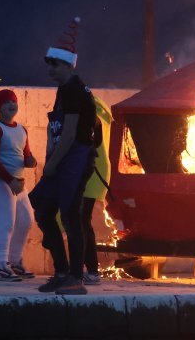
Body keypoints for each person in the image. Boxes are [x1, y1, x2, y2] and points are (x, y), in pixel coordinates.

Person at [29, 18, 96, 295]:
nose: (50, 70)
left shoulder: (75, 91)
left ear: (68, 65)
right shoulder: (64, 90)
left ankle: (75, 277)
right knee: (45, 213)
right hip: (63, 160)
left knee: (71, 217)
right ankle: (61, 271)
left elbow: (69, 134)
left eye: (54, 65)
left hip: (75, 161)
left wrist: (51, 165)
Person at [0, 89, 37, 282]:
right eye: (6, 103)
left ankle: (14, 262)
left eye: (13, 101)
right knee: (6, 222)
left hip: (17, 184)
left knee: (26, 219)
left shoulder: (21, 129)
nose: (11, 105)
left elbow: (25, 153)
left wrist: (30, 161)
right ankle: (0, 267)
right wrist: (9, 180)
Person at [79, 96, 113, 285]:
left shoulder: (92, 119)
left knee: (82, 220)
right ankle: (87, 269)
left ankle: (91, 270)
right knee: (82, 220)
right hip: (94, 171)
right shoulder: (98, 117)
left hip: (93, 172)